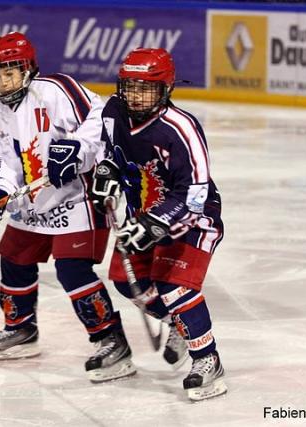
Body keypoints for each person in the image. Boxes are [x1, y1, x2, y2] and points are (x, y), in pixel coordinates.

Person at [0, 32, 135, 383]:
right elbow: (5, 162)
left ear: (28, 69)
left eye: (9, 72)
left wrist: (75, 148)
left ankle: (110, 340)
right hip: (36, 201)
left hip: (79, 197)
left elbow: (103, 114)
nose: (3, 81)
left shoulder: (55, 89)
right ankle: (21, 328)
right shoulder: (0, 111)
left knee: (72, 270)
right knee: (13, 257)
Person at [89, 47, 227, 401]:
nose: (135, 96)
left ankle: (207, 359)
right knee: (126, 283)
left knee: (174, 287)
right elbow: (110, 154)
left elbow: (195, 193)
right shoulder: (113, 112)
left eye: (145, 89)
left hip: (191, 220)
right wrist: (106, 171)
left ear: (165, 89)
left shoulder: (180, 127)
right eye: (130, 87)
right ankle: (179, 323)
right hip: (144, 216)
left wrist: (155, 224)